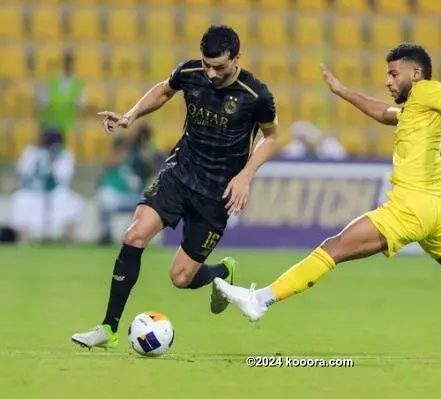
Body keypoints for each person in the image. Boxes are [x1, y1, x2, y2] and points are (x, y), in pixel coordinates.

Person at [214, 44, 441, 360]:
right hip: (440, 210)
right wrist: (343, 91)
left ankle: (260, 300)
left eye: (393, 74)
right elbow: (384, 114)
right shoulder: (418, 109)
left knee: (335, 247)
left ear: (416, 73)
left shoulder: (429, 90)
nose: (387, 81)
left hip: (410, 208)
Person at [72, 26, 279, 349]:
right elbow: (165, 89)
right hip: (180, 173)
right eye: (206, 65)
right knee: (134, 235)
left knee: (181, 278)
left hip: (217, 193)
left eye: (219, 67)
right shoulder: (191, 72)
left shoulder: (256, 96)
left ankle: (221, 273)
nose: (210, 73)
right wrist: (131, 115)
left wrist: (246, 175)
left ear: (237, 59)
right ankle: (108, 328)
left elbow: (273, 137)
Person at [11, 129, 84, 242]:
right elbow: (23, 172)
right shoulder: (31, 152)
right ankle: (22, 240)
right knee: (19, 199)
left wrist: (54, 160)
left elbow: (64, 177)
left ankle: (69, 240)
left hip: (55, 192)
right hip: (32, 191)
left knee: (75, 202)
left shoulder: (64, 154)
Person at [97, 123, 159, 245]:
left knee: (150, 204)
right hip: (119, 194)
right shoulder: (124, 147)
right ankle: (106, 233)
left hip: (138, 196)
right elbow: (112, 163)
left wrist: (142, 148)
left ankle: (136, 237)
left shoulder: (149, 149)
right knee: (104, 196)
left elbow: (152, 167)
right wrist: (126, 146)